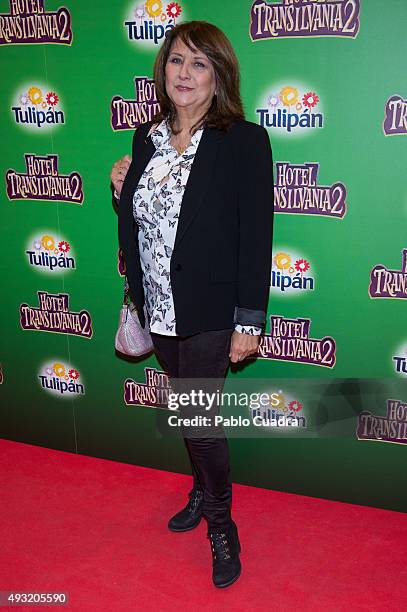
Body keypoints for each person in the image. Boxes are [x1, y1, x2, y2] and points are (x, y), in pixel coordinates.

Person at [111, 20, 273, 588]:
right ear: (163, 69)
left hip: (211, 310)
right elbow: (144, 220)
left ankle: (221, 522)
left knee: (197, 417)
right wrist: (121, 192)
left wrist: (250, 319)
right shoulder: (145, 137)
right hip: (160, 306)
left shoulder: (244, 141)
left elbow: (256, 236)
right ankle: (202, 491)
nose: (185, 73)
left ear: (219, 76)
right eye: (177, 60)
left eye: (200, 64)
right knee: (187, 409)